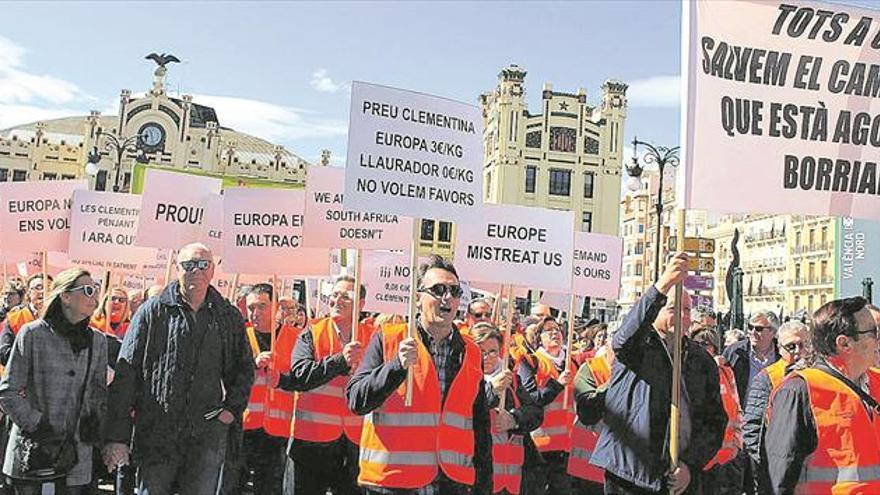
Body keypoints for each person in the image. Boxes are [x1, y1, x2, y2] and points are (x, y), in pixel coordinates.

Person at [102, 243, 254, 494]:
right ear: (177, 269)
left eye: (203, 264)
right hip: (157, 432)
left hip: (207, 432)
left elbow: (244, 369)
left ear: (213, 270)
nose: (196, 270)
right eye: (189, 265)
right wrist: (117, 436)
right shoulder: (152, 311)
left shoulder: (227, 315)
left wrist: (230, 411)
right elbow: (126, 372)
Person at [346, 255, 492, 494]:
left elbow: (480, 426)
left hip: (451, 482)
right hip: (393, 482)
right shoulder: (388, 338)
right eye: (438, 290)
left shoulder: (471, 352)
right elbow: (356, 400)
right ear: (417, 297)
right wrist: (396, 367)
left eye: (454, 291)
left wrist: (484, 486)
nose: (447, 297)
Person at [591, 252, 726, 495]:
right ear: (656, 312)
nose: (684, 317)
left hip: (677, 476)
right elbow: (624, 338)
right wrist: (662, 285)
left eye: (687, 310)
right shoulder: (639, 346)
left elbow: (713, 421)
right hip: (631, 473)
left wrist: (690, 465)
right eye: (675, 309)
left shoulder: (701, 360)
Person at [0, 268, 107, 494]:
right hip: (35, 452)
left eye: (96, 290)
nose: (94, 296)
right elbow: (8, 392)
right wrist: (38, 425)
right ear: (65, 297)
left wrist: (95, 428)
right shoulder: (32, 334)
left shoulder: (97, 340)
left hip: (77, 455)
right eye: (87, 290)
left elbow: (98, 393)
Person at [765, 297, 880, 494]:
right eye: (873, 332)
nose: (878, 340)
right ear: (844, 344)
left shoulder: (875, 381)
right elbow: (779, 478)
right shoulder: (799, 390)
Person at [278, 275, 372, 495]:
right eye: (334, 295)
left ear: (361, 304)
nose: (337, 300)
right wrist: (340, 361)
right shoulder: (311, 333)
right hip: (311, 442)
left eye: (346, 296)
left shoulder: (373, 337)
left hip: (355, 444)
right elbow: (300, 376)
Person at [233, 284, 299, 495]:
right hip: (245, 425)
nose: (255, 313)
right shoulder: (241, 336)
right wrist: (253, 363)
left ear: (276, 307)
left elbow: (302, 377)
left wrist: (281, 377)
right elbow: (227, 373)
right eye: (251, 307)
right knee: (234, 486)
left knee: (270, 487)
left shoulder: (296, 338)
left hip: (279, 430)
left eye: (262, 306)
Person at [471, 322, 542, 495]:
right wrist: (491, 390)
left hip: (513, 477)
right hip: (478, 476)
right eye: (482, 352)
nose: (487, 357)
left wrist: (514, 419)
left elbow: (536, 413)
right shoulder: (465, 377)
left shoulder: (512, 379)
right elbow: (468, 411)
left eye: (492, 352)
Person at [742, 320, 810, 494]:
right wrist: (763, 470)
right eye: (791, 346)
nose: (798, 352)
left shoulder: (817, 375)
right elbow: (753, 429)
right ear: (779, 349)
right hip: (775, 468)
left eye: (804, 345)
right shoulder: (767, 377)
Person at [722, 309, 780, 495]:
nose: (753, 332)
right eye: (750, 327)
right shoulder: (735, 352)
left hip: (770, 428)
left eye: (760, 329)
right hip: (739, 427)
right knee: (736, 482)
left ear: (773, 332)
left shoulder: (781, 355)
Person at [521, 316, 575, 494]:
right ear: (538, 337)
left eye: (557, 329)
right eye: (548, 330)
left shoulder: (572, 363)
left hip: (567, 448)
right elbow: (532, 399)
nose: (555, 333)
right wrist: (557, 384)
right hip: (540, 447)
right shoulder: (530, 362)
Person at [569, 321, 618, 495]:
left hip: (621, 468)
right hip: (588, 468)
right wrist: (616, 380)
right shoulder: (590, 369)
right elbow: (587, 412)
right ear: (609, 341)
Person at [692, 328, 743, 495]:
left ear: (714, 347)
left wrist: (737, 444)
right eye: (696, 344)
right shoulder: (690, 371)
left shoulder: (725, 371)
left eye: (704, 344)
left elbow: (736, 407)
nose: (698, 348)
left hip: (725, 458)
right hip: (699, 457)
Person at [0, 274, 52, 367]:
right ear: (28, 292)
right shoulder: (14, 318)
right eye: (38, 287)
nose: (44, 291)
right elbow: (3, 353)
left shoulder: (63, 318)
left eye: (49, 287)